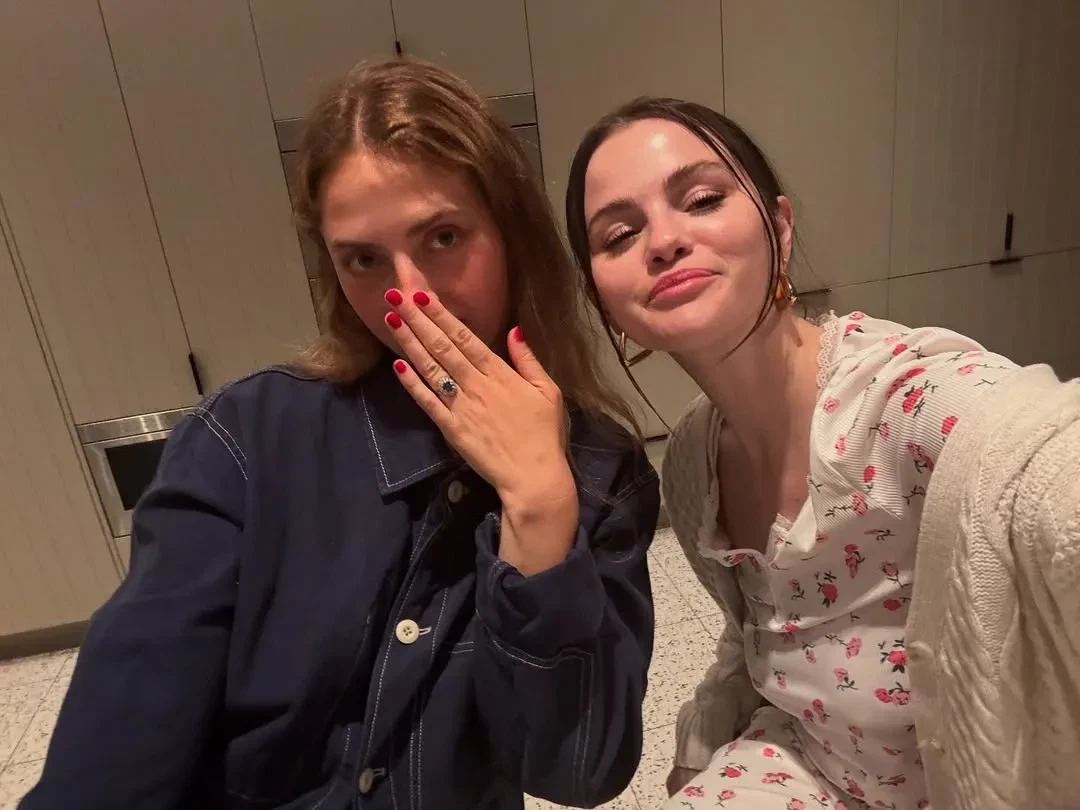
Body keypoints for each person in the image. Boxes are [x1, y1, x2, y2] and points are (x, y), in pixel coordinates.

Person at [21, 61, 659, 810]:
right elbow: (128, 719)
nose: (410, 294)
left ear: (511, 235)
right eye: (363, 258)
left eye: (444, 236)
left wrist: (540, 508)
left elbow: (578, 771)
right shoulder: (248, 438)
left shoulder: (601, 472)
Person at [564, 96, 1080, 809]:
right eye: (620, 235)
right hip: (809, 764)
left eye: (703, 199)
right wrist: (703, 743)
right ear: (604, 301)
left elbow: (1040, 462)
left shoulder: (915, 409)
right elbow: (758, 637)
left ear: (779, 227)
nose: (664, 241)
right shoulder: (690, 461)